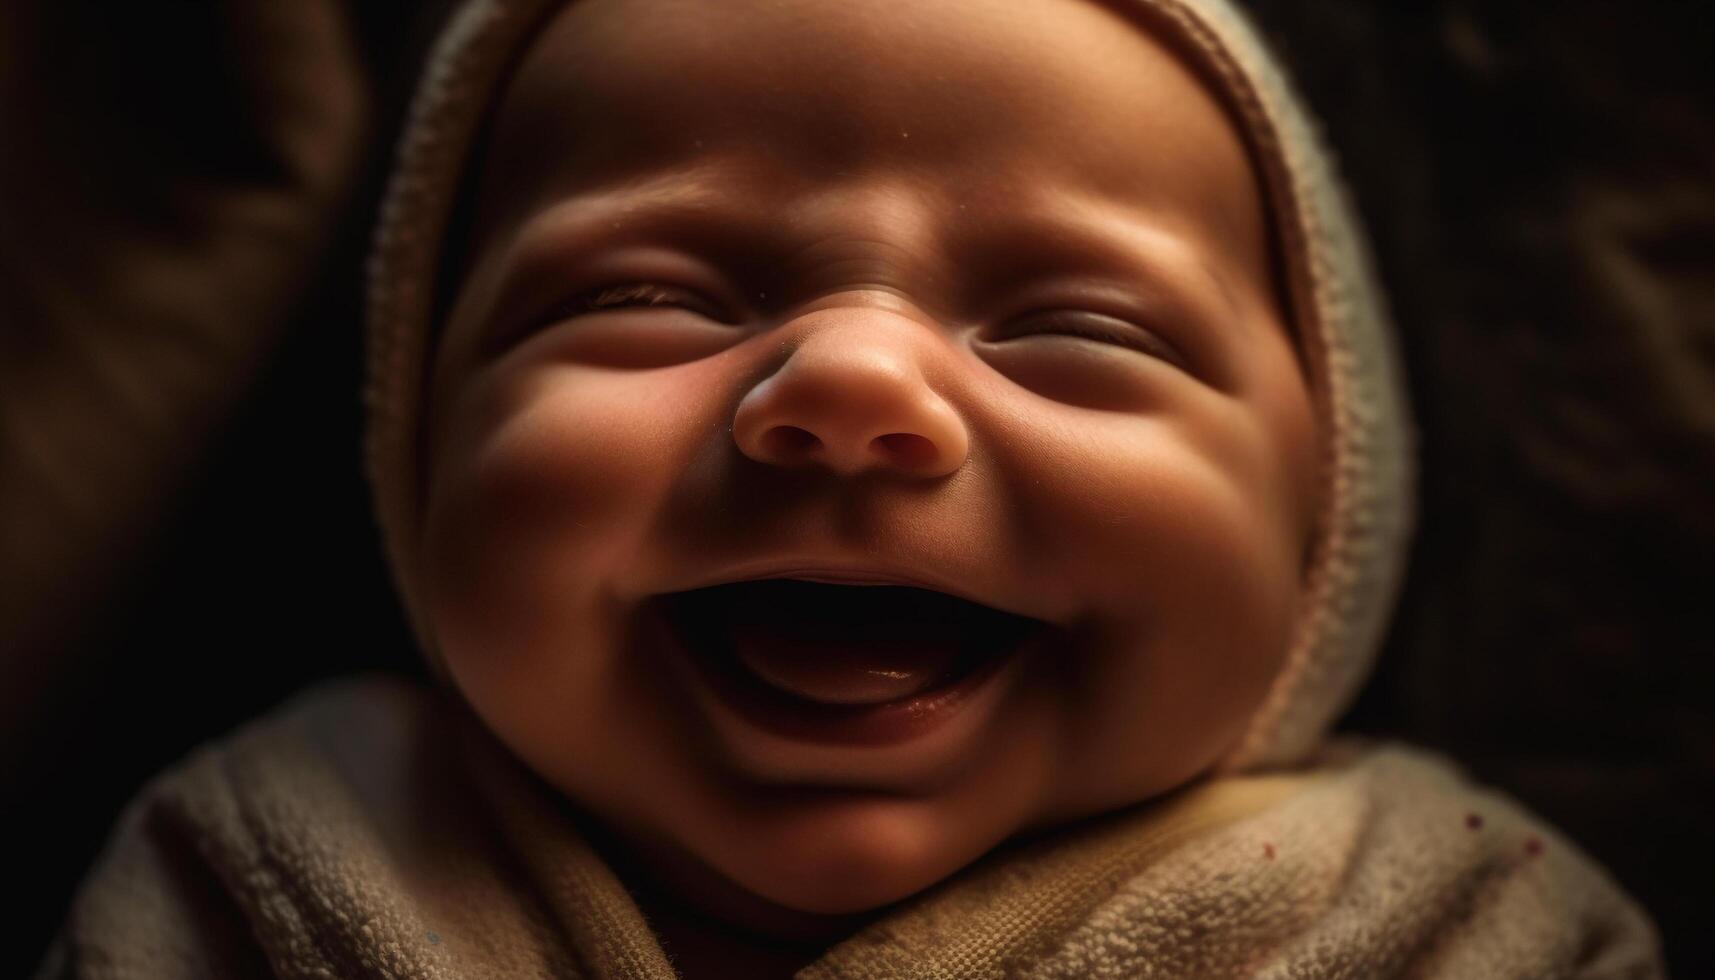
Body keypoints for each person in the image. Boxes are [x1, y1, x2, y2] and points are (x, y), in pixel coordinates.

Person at [37, 0, 1665, 976]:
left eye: (1077, 328)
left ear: (1326, 528)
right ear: (418, 448)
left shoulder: (1456, 921)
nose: (850, 389)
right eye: (649, 296)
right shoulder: (269, 856)